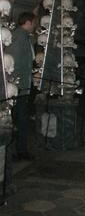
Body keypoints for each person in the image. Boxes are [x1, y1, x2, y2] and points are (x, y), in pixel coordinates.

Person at [6, 12, 36, 160]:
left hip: (23, 85)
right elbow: (14, 61)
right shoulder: (20, 37)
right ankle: (19, 150)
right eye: (33, 23)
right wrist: (14, 83)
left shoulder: (24, 37)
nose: (34, 26)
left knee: (21, 118)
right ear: (28, 22)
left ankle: (19, 148)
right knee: (20, 119)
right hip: (18, 87)